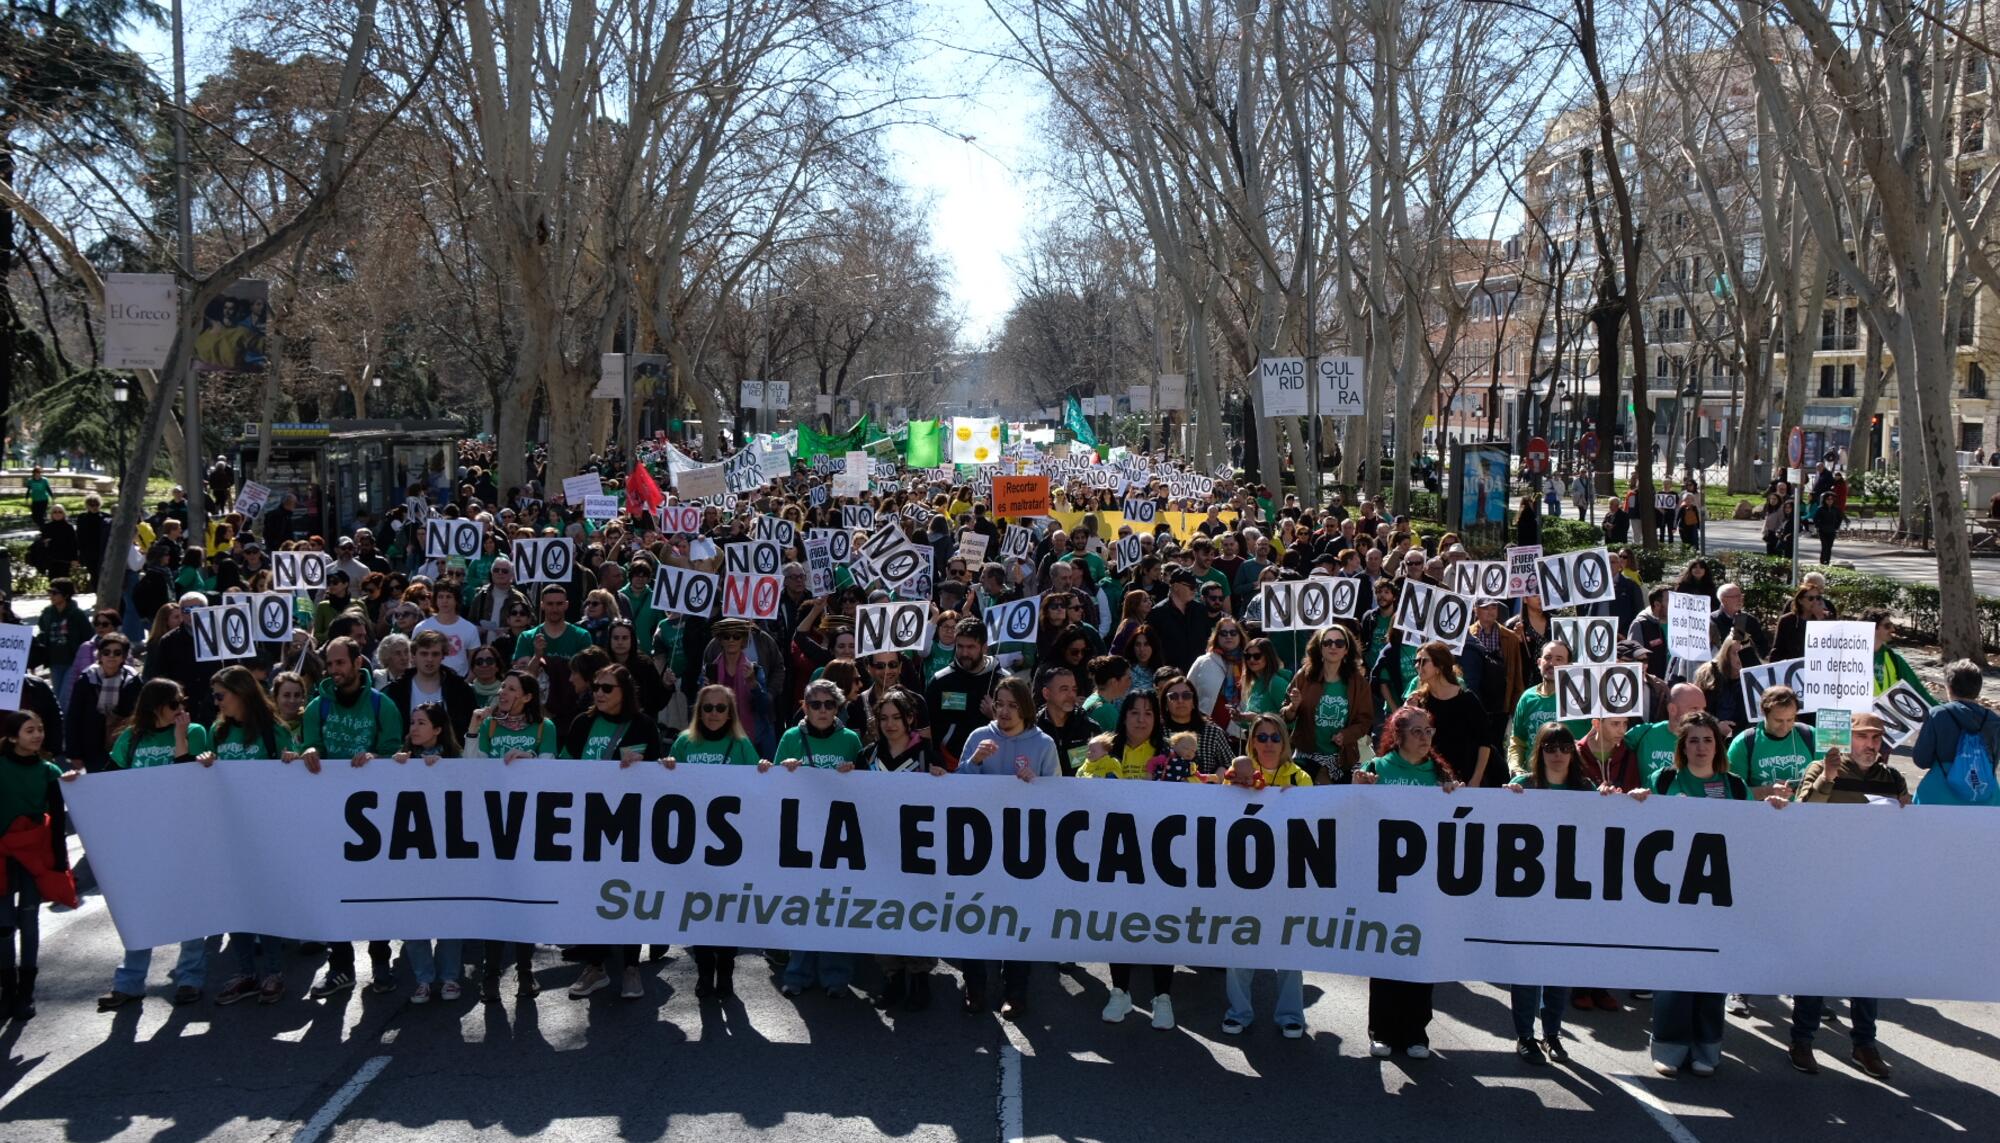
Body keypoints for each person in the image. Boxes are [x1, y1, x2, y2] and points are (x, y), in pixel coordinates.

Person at [1648, 712, 1787, 1076]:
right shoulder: (1663, 780)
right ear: (1682, 747)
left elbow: (1750, 835)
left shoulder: (1734, 785)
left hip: (1719, 896)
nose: (1700, 747)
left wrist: (1771, 811)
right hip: (1673, 894)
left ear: (1718, 745)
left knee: (1712, 974)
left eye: (1707, 740)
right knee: (1674, 972)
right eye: (1692, 740)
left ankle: (1706, 1048)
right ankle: (1669, 1046)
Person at [1787, 710, 1903, 1078]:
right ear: (1847, 739)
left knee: (1865, 969)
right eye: (1864, 737)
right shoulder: (1820, 769)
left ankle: (1864, 1044)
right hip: (1825, 886)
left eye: (1877, 738)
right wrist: (1828, 779)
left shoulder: (1893, 778)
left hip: (1870, 888)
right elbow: (1803, 814)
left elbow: (1909, 831)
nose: (1872, 744)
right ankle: (1802, 1040)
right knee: (1817, 966)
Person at [85, 679, 212, 1009]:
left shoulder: (195, 731)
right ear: (155, 706)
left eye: (183, 703)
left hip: (184, 837)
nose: (181, 710)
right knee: (140, 911)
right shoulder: (131, 737)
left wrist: (181, 738)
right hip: (142, 840)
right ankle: (129, 982)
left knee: (190, 909)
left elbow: (192, 784)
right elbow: (109, 782)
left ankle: (190, 978)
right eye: (175, 705)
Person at [1501, 723, 1613, 1063]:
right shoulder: (1524, 786)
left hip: (1567, 894)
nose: (1558, 754)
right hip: (1528, 896)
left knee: (1559, 968)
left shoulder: (1586, 789)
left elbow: (1606, 829)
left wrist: (1619, 803)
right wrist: (1505, 801)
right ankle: (1525, 1035)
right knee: (1527, 969)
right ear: (1540, 752)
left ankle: (1552, 1033)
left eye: (1565, 747)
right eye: (1550, 747)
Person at [1355, 705, 1461, 1057]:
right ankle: (1381, 1030)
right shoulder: (1377, 769)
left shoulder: (1440, 776)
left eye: (1428, 731)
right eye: (1416, 731)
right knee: (1385, 954)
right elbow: (1353, 816)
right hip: (1383, 882)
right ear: (1397, 736)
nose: (1424, 737)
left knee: (1420, 955)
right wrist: (1357, 789)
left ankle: (1416, 1032)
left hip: (1424, 884)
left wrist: (1456, 799)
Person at [954, 676, 1057, 1018]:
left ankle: (1016, 988)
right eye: (1000, 704)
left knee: (1018, 917)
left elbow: (1058, 800)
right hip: (979, 847)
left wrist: (1037, 786)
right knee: (974, 913)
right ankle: (975, 983)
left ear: (1026, 708)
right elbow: (955, 790)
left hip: (1022, 848)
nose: (1005, 712)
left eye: (1013, 705)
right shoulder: (978, 738)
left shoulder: (1043, 744)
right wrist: (975, 763)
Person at [1081, 689, 1185, 1029]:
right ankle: (1120, 991)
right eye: (1134, 713)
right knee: (1119, 924)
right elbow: (1081, 784)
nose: (1141, 719)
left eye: (1148, 714)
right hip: (1116, 851)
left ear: (1157, 719)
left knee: (1161, 925)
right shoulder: (1105, 750)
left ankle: (1163, 997)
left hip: (1161, 854)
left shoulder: (1170, 754)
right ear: (1123, 717)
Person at [665, 685, 764, 999]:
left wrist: (765, 770)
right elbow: (669, 789)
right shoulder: (683, 743)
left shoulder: (742, 745)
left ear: (730, 713)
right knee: (699, 911)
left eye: (721, 708)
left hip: (731, 847)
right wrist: (665, 768)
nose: (713, 714)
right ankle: (704, 971)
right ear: (699, 711)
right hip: (693, 843)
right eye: (708, 708)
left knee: (726, 911)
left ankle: (726, 972)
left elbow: (759, 790)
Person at [1219, 712, 1311, 1038]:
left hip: (1286, 878)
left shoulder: (1300, 778)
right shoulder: (1237, 775)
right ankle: (1239, 1012)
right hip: (1243, 878)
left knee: (1288, 948)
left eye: (1275, 737)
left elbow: (1312, 826)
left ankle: (1291, 1015)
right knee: (1240, 946)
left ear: (1284, 742)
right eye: (1262, 737)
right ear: (1252, 742)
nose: (1269, 743)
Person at [856, 689, 946, 1011]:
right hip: (879, 851)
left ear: (910, 719)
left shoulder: (925, 753)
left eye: (896, 717)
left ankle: (920, 976)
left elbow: (950, 795)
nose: (890, 724)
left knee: (917, 912)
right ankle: (892, 975)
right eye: (883, 718)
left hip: (919, 851)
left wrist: (941, 777)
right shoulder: (867, 755)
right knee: (885, 913)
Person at [1, 711, 74, 1020]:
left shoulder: (50, 771)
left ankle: (26, 992)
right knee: (4, 927)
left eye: (40, 729)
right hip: (2, 856)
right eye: (29, 730)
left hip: (36, 857)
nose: (37, 735)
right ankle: (8, 989)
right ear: (13, 736)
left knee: (29, 923)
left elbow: (58, 821)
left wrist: (60, 862)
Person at [1281, 625, 1372, 784]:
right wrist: (1293, 707)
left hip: (1343, 757)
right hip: (1307, 754)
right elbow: (1285, 715)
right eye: (1327, 642)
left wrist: (1346, 735)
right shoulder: (1304, 675)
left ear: (1346, 650)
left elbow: (1365, 721)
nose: (1333, 646)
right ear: (1320, 648)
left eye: (1339, 643)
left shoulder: (1358, 682)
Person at [1912, 659, 2000, 806]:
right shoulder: (1993, 720)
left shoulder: (1938, 714)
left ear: (1949, 687)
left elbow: (1921, 759)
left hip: (1939, 795)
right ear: (1978, 688)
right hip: (1984, 797)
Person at [1407, 640, 1491, 786]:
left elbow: (1484, 742)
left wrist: (1476, 778)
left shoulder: (1468, 700)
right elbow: (1406, 741)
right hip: (1431, 779)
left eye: (1423, 661)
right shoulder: (1419, 701)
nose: (1417, 666)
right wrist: (1409, 712)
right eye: (1416, 661)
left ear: (1439, 666)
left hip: (1465, 780)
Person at [1726, 685, 1816, 799]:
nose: (1785, 726)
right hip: (1761, 814)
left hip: (1804, 812)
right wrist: (1767, 791)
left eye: (1790, 719)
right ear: (1764, 712)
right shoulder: (1743, 743)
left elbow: (1825, 779)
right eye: (1778, 720)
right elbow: (1732, 792)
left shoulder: (1810, 735)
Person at [473, 670, 559, 761]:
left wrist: (529, 757)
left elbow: (547, 769)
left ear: (527, 697)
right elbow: (473, 768)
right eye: (503, 686)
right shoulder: (488, 724)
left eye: (511, 689)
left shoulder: (545, 726)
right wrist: (473, 728)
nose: (502, 692)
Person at [1865, 608, 1935, 703]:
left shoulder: (1894, 658)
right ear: (1872, 628)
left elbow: (1917, 689)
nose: (1893, 629)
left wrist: (1942, 711)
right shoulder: (1849, 659)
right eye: (1887, 626)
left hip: (1887, 716)